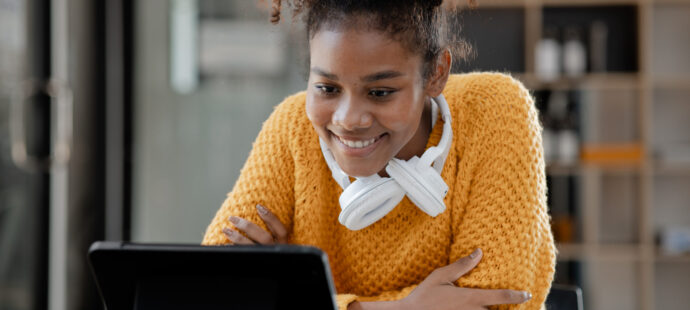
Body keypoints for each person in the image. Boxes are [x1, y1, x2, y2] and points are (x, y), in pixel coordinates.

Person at [202, 0, 556, 309]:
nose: (348, 119)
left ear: (437, 73)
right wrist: (406, 308)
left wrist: (294, 294)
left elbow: (497, 303)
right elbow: (211, 289)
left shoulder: (495, 112)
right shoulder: (292, 128)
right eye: (327, 88)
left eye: (381, 92)